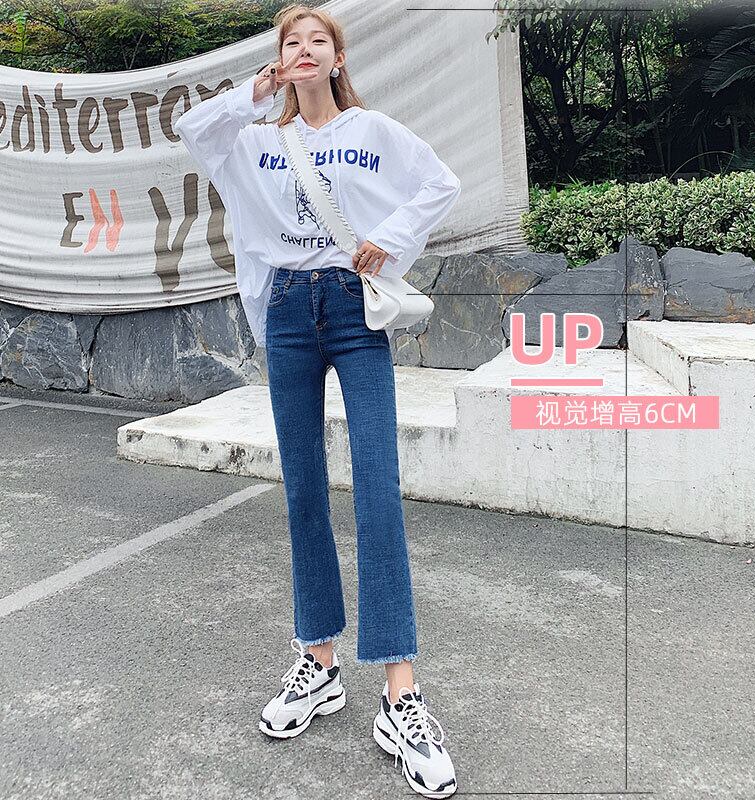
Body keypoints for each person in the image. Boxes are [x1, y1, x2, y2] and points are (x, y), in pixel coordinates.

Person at [173, 5, 461, 797]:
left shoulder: (372, 131)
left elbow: (438, 184)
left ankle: (400, 694)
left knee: (377, 490)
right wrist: (253, 93)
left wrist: (388, 240)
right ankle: (320, 662)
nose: (303, 50)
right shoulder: (257, 142)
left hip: (354, 307)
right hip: (290, 313)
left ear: (338, 58)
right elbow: (193, 132)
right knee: (302, 489)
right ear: (281, 61)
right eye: (290, 43)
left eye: (317, 41)